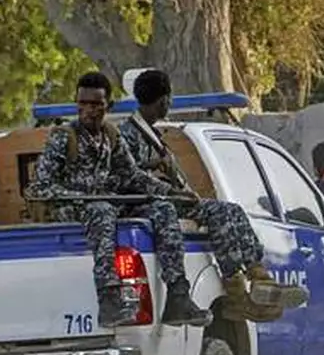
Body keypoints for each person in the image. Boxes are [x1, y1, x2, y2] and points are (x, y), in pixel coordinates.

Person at [117, 68, 308, 322]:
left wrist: (184, 192)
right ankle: (239, 294)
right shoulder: (127, 135)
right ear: (164, 100)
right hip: (146, 203)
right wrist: (172, 192)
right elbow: (131, 177)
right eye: (169, 99)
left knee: (228, 211)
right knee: (195, 210)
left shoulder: (153, 134)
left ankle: (251, 279)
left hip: (171, 199)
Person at [26, 71, 210, 329]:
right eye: (83, 104)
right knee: (101, 210)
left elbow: (132, 176)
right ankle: (109, 299)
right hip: (70, 207)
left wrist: (171, 192)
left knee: (163, 209)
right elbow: (40, 189)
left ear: (107, 106)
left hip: (106, 205)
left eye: (95, 105)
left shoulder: (111, 136)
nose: (88, 111)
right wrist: (85, 198)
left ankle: (178, 295)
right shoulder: (63, 137)